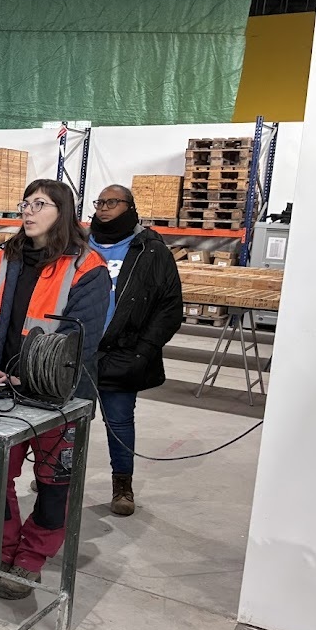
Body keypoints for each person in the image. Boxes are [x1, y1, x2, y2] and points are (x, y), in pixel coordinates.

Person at [0, 179, 109, 599]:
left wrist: (25, 376)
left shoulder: (88, 268)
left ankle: (30, 560)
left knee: (54, 486)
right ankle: (2, 550)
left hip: (59, 397)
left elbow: (80, 340)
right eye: (25, 203)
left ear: (62, 212)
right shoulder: (4, 259)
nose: (27, 211)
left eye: (39, 204)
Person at [88, 184, 183, 517]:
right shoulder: (79, 245)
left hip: (123, 351)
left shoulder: (151, 250)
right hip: (78, 350)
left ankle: (122, 485)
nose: (104, 207)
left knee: (118, 422)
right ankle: (56, 474)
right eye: (100, 202)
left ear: (129, 207)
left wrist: (143, 351)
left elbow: (169, 307)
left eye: (112, 202)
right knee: (65, 421)